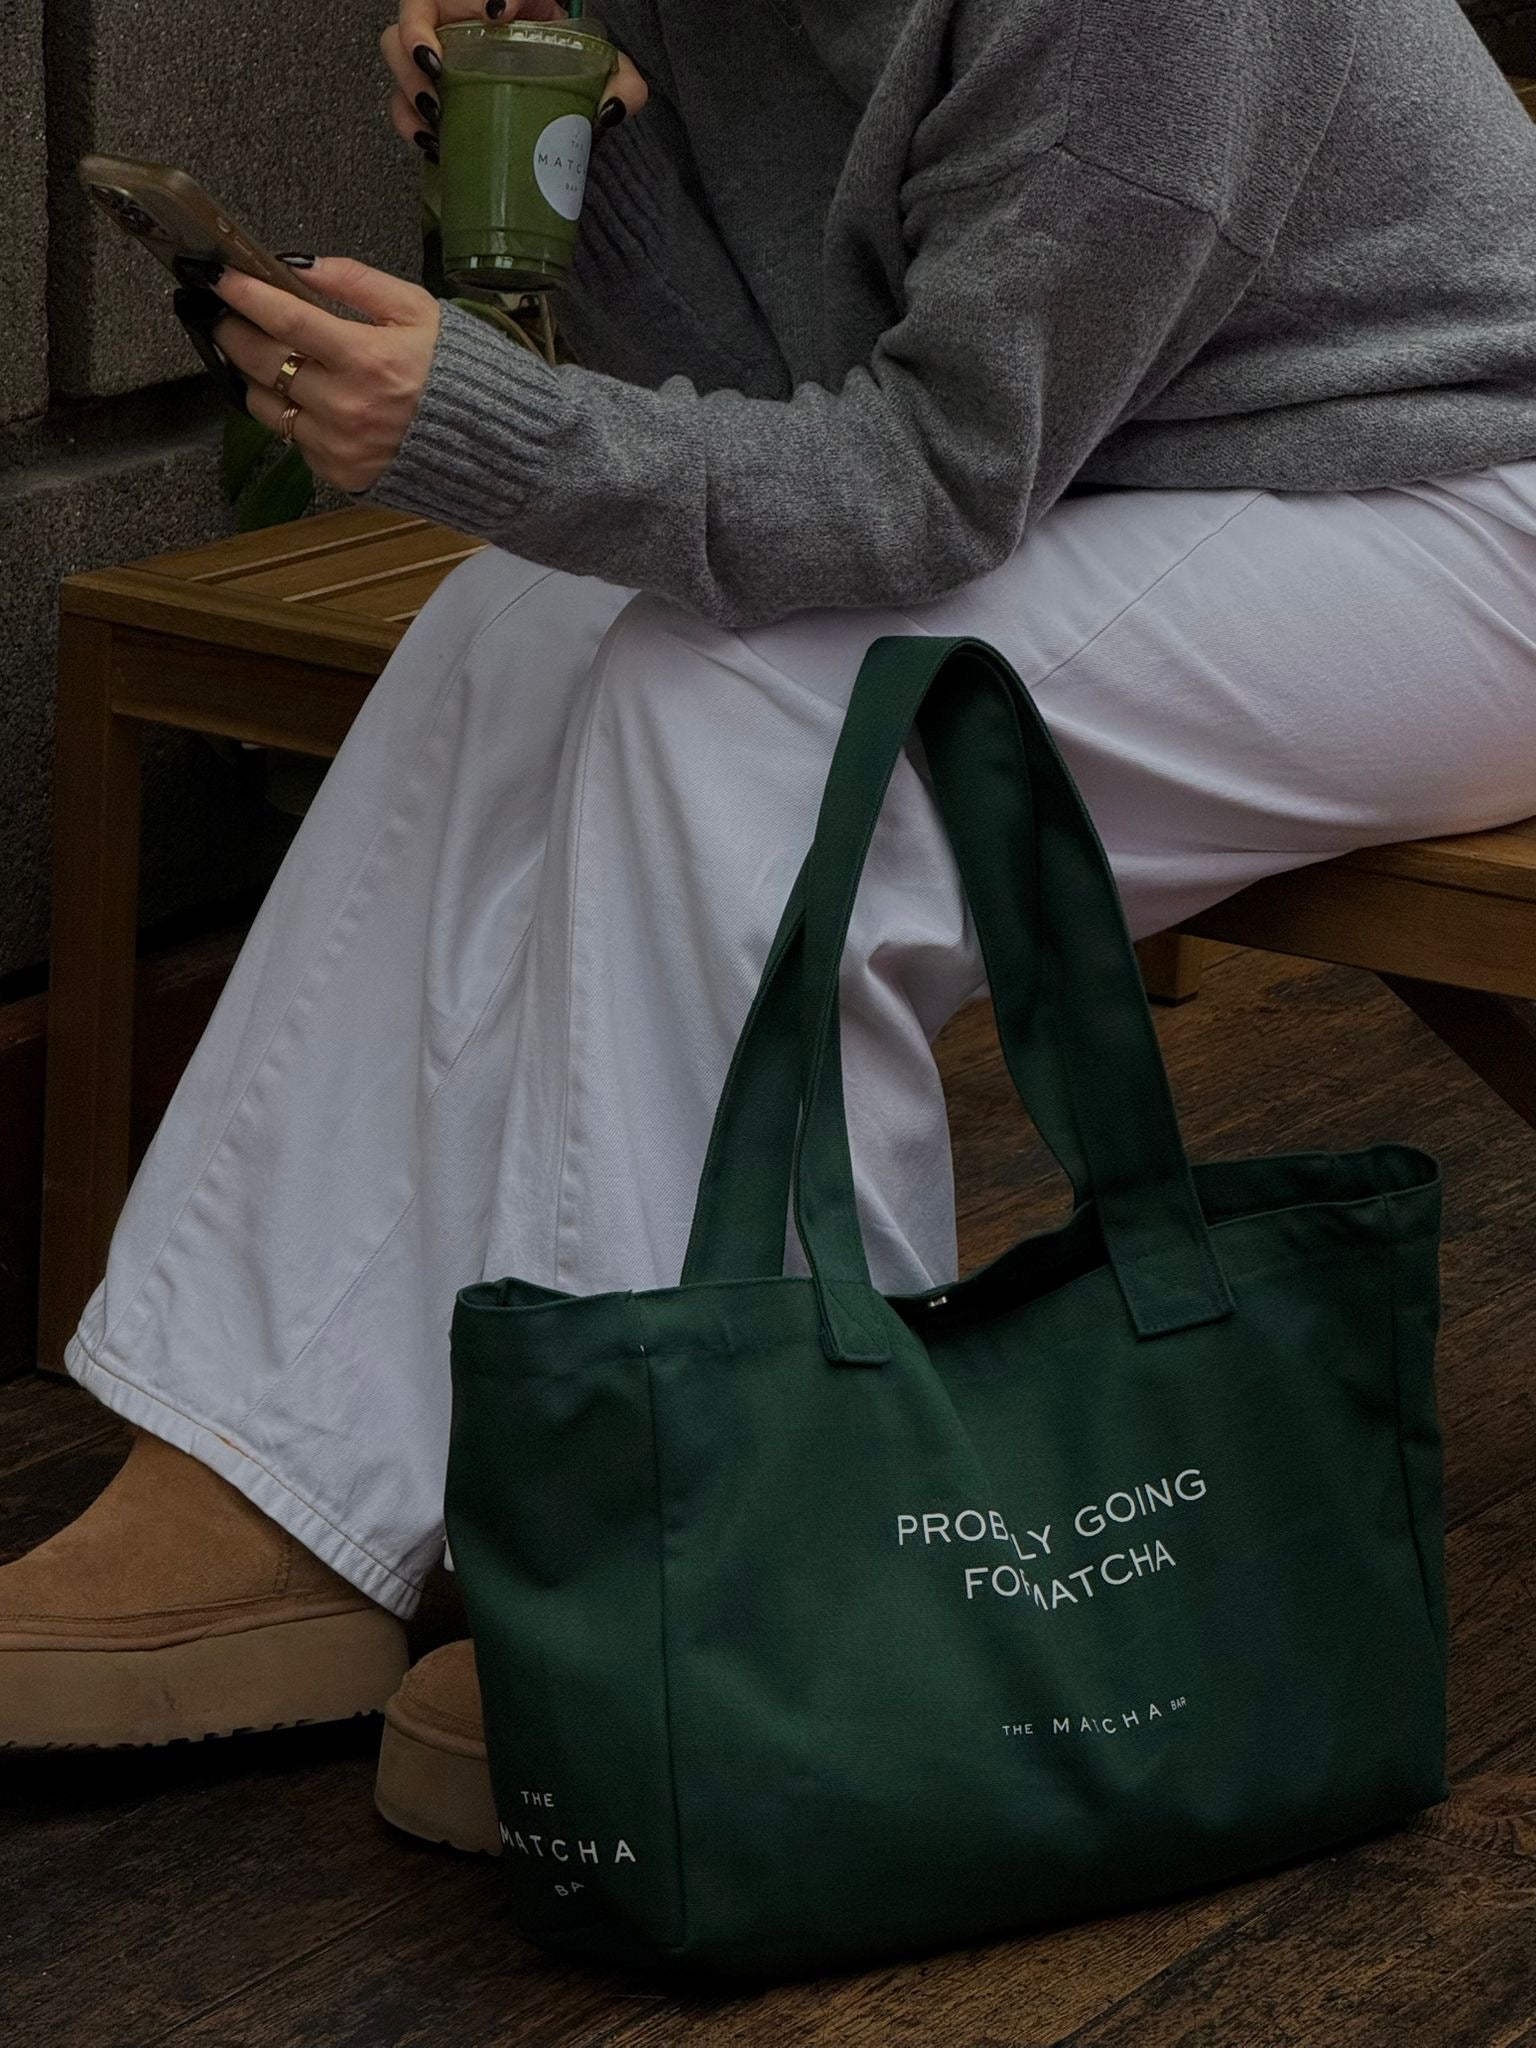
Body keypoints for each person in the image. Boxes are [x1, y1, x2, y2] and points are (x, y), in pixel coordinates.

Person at [7, 0, 1536, 1860]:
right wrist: (578, 142)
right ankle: (272, 1479)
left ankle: (773, 1561)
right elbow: (766, 412)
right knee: (518, 622)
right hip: (1126, 457)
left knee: (758, 717)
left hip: (1448, 494)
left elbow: (924, 480)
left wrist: (476, 422)